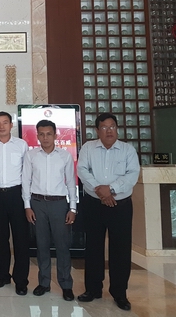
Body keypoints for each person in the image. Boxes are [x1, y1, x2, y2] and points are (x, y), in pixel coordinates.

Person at [76, 113, 140, 311]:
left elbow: (132, 175)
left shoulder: (128, 150)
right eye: (104, 127)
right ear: (97, 130)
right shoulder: (88, 148)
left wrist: (110, 189)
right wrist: (101, 192)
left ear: (117, 128)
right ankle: (93, 289)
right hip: (93, 205)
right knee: (93, 247)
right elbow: (82, 170)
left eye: (112, 126)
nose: (109, 131)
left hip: (120, 206)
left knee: (120, 249)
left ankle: (120, 293)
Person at [22, 119, 77, 301]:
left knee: (62, 246)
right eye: (42, 134)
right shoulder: (31, 156)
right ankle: (44, 282)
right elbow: (26, 181)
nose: (45, 138)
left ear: (55, 135)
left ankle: (66, 284)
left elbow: (71, 183)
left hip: (59, 204)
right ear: (37, 136)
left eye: (49, 134)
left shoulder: (65, 156)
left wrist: (73, 208)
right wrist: (27, 206)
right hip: (37, 203)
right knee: (42, 245)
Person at [0, 111, 30, 295]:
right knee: (1, 238)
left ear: (11, 125)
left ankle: (21, 280)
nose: (1, 126)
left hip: (17, 194)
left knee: (20, 239)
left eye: (5, 122)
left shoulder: (21, 145)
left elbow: (27, 171)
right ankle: (2, 275)